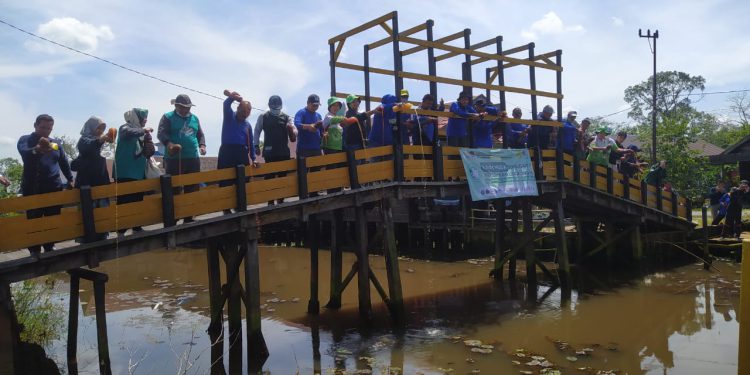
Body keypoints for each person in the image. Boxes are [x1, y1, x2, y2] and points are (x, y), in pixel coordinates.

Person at [17, 114, 74, 257]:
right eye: (43, 127)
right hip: (32, 187)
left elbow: (63, 162)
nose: (46, 131)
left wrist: (70, 178)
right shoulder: (26, 140)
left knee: (52, 218)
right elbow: (25, 153)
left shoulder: (56, 144)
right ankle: (34, 251)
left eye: (49, 128)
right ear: (35, 125)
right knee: (34, 220)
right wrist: (38, 149)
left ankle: (49, 247)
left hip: (54, 186)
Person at [113, 108, 153, 234]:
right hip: (125, 171)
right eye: (143, 118)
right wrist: (143, 130)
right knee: (124, 201)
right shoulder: (125, 128)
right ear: (136, 117)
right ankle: (121, 230)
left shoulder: (142, 132)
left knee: (137, 199)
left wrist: (149, 142)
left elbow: (148, 151)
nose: (145, 120)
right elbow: (127, 132)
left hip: (138, 171)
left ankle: (136, 227)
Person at [157, 94, 206, 198]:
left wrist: (202, 145)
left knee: (193, 186)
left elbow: (200, 134)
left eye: (188, 107)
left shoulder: (195, 118)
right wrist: (170, 145)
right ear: (176, 106)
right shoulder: (168, 117)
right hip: (174, 159)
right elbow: (161, 133)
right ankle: (175, 213)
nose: (186, 109)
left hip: (193, 158)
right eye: (183, 107)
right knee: (174, 188)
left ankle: (190, 213)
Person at [218, 89, 257, 176]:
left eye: (246, 114)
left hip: (242, 153)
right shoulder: (229, 116)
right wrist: (233, 98)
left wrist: (253, 158)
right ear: (238, 108)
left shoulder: (248, 125)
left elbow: (251, 143)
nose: (244, 116)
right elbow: (226, 104)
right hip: (227, 152)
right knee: (225, 180)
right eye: (243, 113)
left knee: (243, 181)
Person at [254, 95, 296, 163]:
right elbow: (257, 131)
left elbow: (294, 129)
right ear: (269, 105)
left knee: (284, 173)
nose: (276, 109)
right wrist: (256, 146)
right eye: (274, 107)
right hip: (269, 153)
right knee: (270, 173)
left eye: (277, 107)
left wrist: (294, 133)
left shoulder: (287, 117)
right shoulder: (263, 116)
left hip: (283, 153)